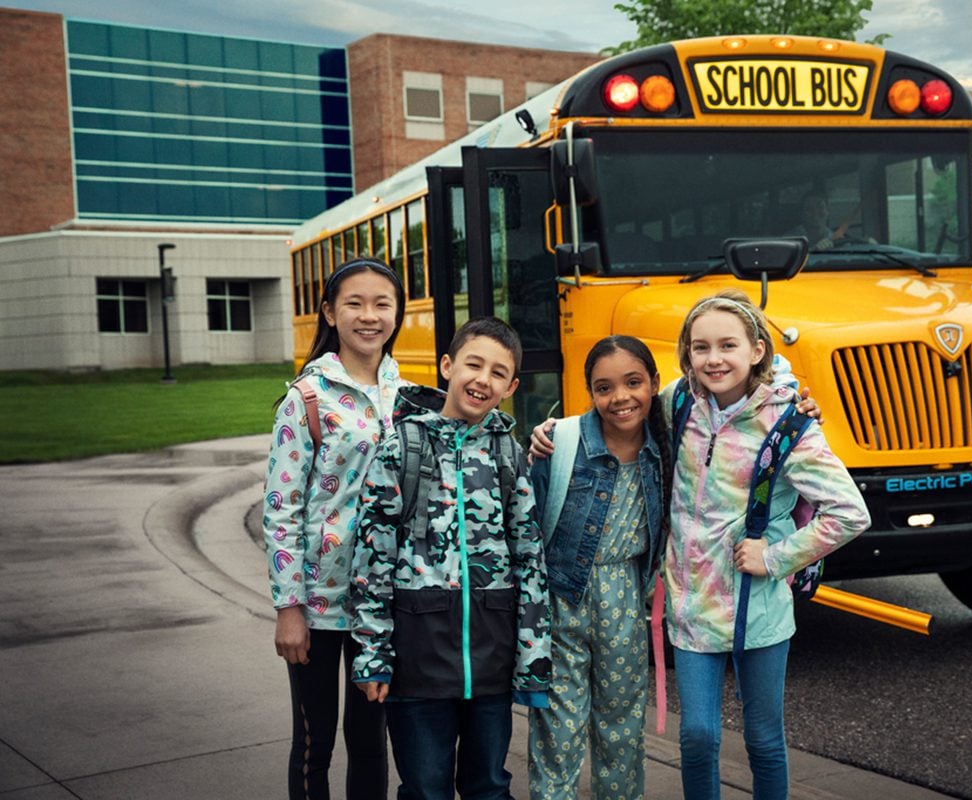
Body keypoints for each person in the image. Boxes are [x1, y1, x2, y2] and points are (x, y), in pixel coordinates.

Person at [665, 289, 869, 799]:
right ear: (687, 353)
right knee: (696, 736)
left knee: (763, 740)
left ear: (757, 350)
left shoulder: (788, 424)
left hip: (758, 606)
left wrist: (776, 557)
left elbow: (850, 512)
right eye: (700, 347)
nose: (714, 359)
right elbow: (615, 411)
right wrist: (555, 432)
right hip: (690, 602)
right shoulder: (677, 403)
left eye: (727, 345)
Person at [350, 316, 552, 800]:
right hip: (418, 661)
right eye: (473, 364)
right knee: (425, 788)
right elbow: (373, 557)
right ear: (447, 366)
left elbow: (528, 557)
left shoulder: (509, 452)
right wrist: (373, 655)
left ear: (511, 387)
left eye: (498, 373)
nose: (483, 379)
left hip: (491, 661)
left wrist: (533, 660)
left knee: (489, 787)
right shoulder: (404, 445)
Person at [263, 257, 406, 800]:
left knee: (371, 740)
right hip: (317, 606)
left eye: (382, 304)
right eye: (354, 303)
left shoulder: (409, 397)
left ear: (396, 313)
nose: (369, 316)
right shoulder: (307, 399)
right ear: (329, 311)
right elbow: (281, 510)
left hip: (386, 604)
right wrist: (288, 607)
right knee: (313, 740)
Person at [526, 335, 673, 799]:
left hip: (625, 598)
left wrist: (800, 404)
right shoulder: (561, 441)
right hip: (560, 600)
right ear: (590, 392)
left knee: (622, 731)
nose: (620, 398)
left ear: (654, 383)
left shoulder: (665, 444)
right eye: (604, 387)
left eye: (633, 382)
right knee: (557, 732)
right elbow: (527, 523)